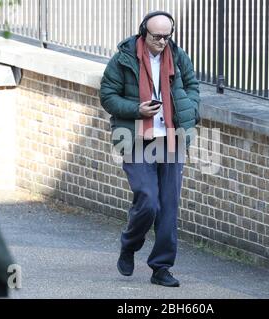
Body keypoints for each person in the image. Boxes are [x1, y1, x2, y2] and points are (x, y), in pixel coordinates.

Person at [99, 11, 200, 287]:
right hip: (136, 140)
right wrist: (137, 109)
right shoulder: (123, 59)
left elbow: (192, 86)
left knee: (168, 207)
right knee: (147, 200)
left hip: (171, 139)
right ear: (144, 32)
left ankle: (161, 268)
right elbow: (107, 95)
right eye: (157, 36)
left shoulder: (178, 57)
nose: (162, 42)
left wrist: (190, 108)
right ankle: (129, 245)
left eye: (167, 36)